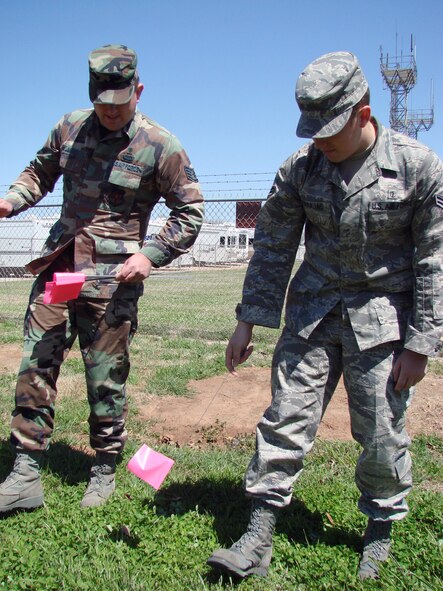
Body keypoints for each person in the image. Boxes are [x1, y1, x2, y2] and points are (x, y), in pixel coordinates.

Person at [207, 51, 443, 581]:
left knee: (382, 431)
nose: (319, 141)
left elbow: (434, 258)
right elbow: (273, 245)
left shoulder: (416, 167)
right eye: (312, 130)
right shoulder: (301, 168)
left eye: (329, 129)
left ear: (363, 113)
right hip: (312, 315)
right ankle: (259, 534)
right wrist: (249, 319)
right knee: (285, 417)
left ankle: (379, 531)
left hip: (383, 322)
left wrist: (421, 344)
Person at [0, 44, 204, 512]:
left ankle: (105, 467)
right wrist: (13, 199)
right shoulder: (69, 127)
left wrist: (151, 255)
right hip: (60, 270)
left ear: (139, 90)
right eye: (102, 104)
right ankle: (26, 470)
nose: (111, 112)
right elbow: (40, 170)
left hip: (112, 282)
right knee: (36, 364)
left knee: (105, 378)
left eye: (120, 103)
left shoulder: (160, 145)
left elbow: (190, 212)